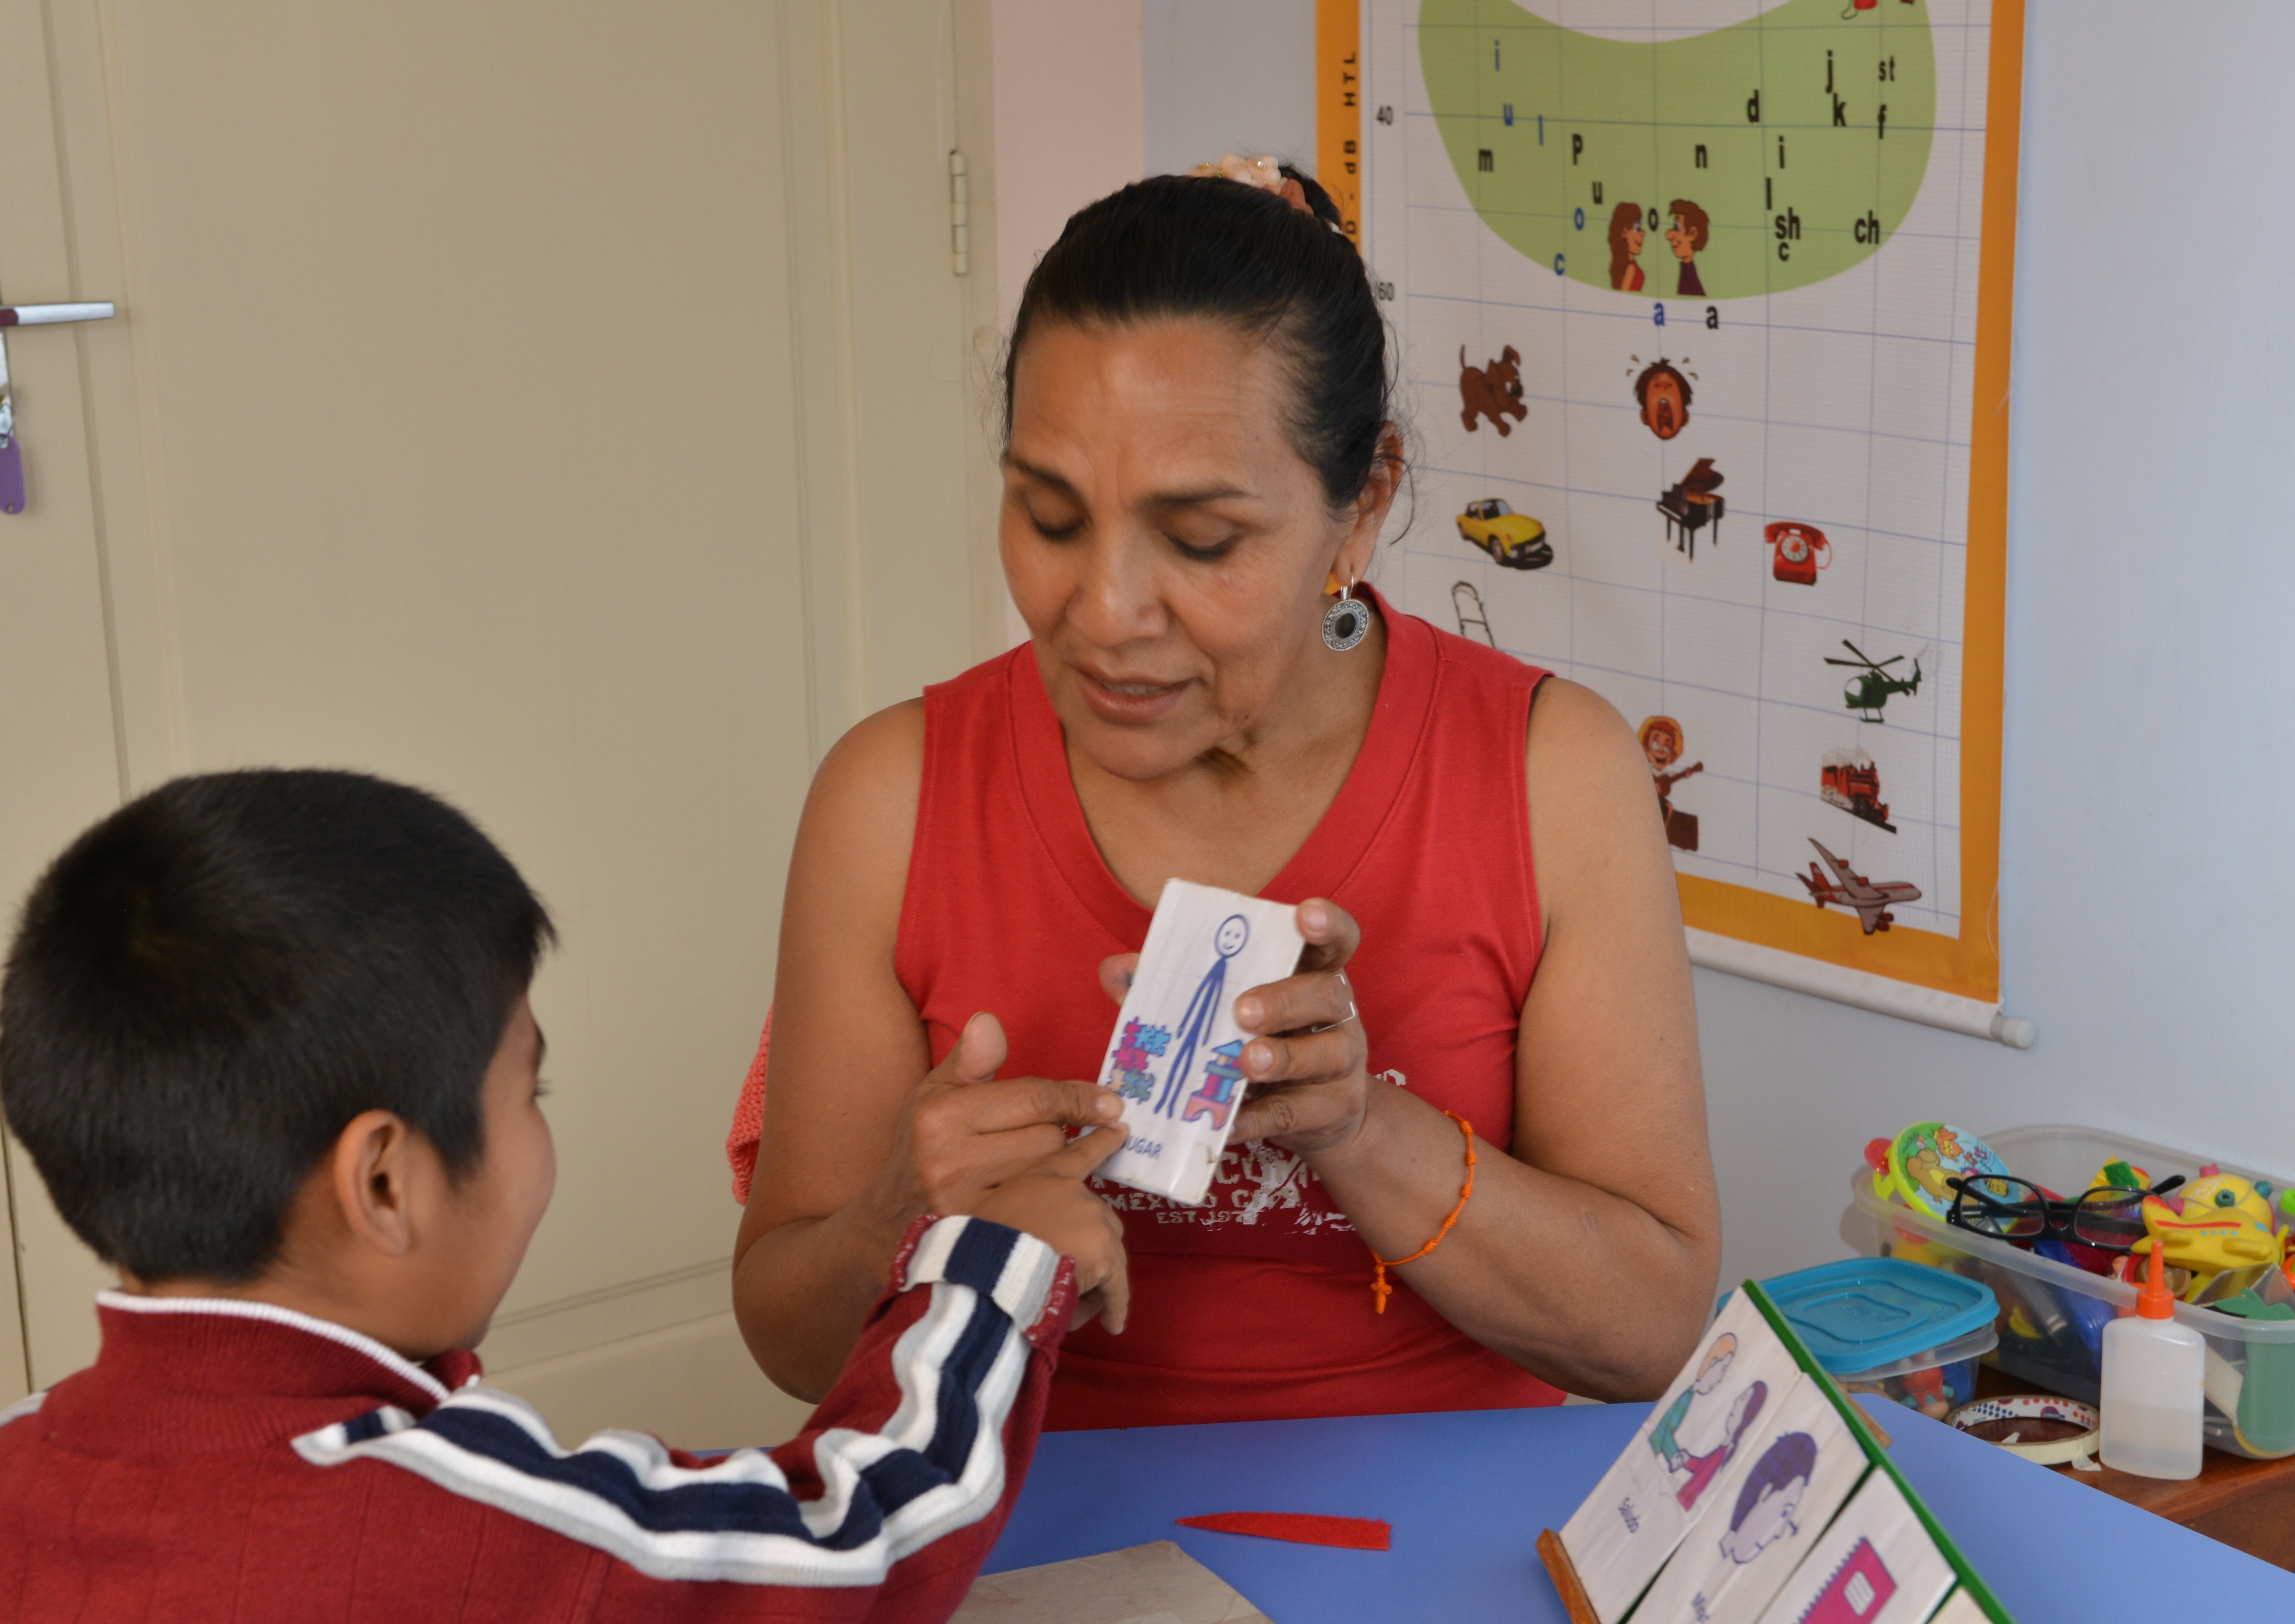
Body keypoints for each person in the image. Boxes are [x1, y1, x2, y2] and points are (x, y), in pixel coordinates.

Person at [0, 768, 1124, 1624]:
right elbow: (862, 1529)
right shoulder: (450, 1546)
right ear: (384, 1178)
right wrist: (990, 1261)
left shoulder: (27, 1466)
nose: (539, 1136)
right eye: (529, 1089)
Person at [730, 163, 1720, 1435]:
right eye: (1047, 516)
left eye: (1199, 542)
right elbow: (788, 1337)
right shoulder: (889, 796)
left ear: (1358, 508)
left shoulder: (1550, 772)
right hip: (1022, 1555)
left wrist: (1360, 1132)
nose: (1103, 613)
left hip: (1442, 1539)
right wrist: (898, 1213)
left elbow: (1645, 1331)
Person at [1664, 197, 1711, 296]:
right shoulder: (1687, 269)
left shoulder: (1690, 273)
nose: (1669, 235)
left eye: (1677, 227)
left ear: (1693, 234)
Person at [1609, 198, 1649, 291]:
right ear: (1624, 232)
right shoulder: (1631, 269)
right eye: (1638, 228)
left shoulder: (1624, 266)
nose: (1643, 233)